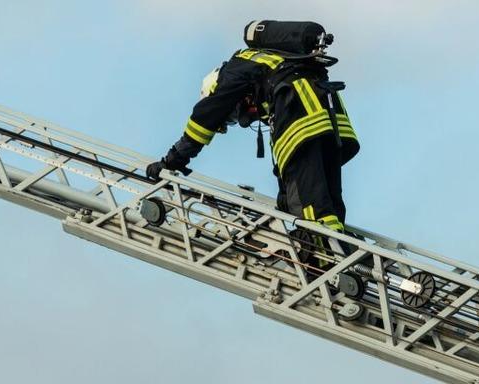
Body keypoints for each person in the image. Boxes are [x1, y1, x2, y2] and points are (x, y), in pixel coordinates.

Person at [146, 21, 359, 264]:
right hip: (331, 120)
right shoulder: (274, 62)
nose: (240, 117)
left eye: (232, 116)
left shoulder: (233, 73)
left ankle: (321, 263)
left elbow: (205, 118)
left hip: (301, 119)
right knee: (327, 198)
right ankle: (340, 252)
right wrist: (284, 201)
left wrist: (172, 161)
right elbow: (289, 174)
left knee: (310, 202)